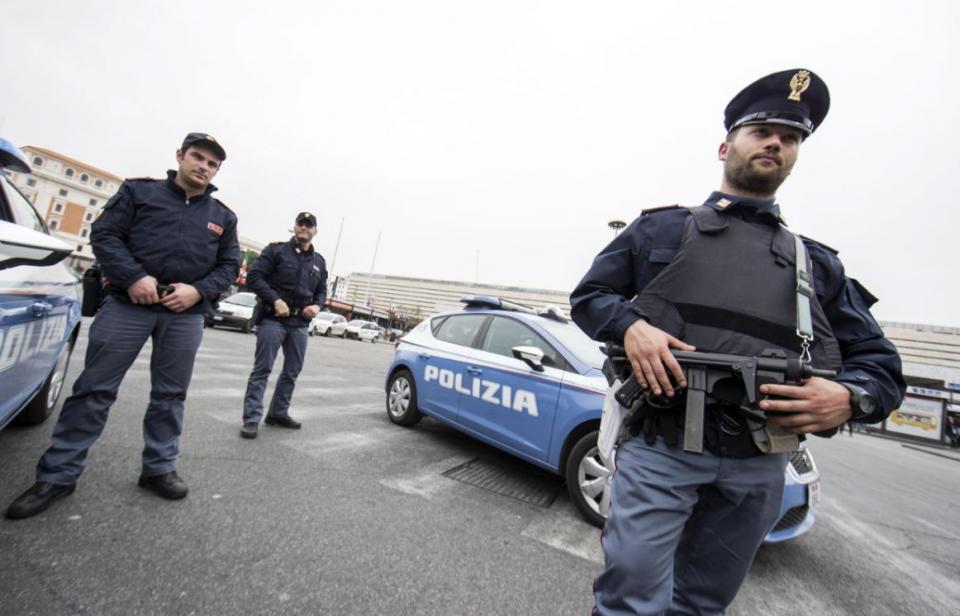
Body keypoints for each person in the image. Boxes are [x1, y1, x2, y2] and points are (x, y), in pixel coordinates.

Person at [570, 69, 906, 615]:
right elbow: (590, 297)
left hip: (760, 461)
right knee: (631, 598)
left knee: (703, 603)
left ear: (795, 157)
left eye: (790, 138)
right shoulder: (661, 230)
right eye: (762, 132)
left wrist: (850, 397)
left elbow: (880, 363)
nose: (776, 143)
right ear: (726, 147)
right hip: (663, 446)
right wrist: (630, 326)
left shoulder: (815, 264)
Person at [6, 133, 239, 519]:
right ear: (180, 156)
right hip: (129, 305)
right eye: (197, 157)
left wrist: (198, 291)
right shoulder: (138, 192)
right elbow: (105, 235)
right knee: (93, 391)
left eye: (212, 163)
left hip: (184, 314)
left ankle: (159, 468)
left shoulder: (223, 217)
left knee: (170, 396)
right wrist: (134, 277)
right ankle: (58, 475)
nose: (203, 166)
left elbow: (229, 266)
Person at [239, 212, 328, 438]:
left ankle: (278, 413)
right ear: (295, 227)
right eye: (301, 224)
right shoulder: (276, 251)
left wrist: (317, 306)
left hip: (300, 324)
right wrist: (275, 300)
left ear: (315, 231)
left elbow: (322, 291)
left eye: (309, 225)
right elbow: (254, 277)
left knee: (292, 370)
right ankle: (251, 419)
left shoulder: (319, 261)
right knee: (262, 370)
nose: (304, 228)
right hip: (273, 319)